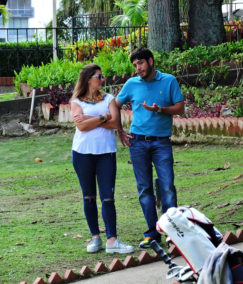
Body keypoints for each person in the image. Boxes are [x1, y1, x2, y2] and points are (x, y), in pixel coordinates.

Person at [115, 48, 185, 248]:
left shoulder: (168, 80)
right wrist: (119, 131)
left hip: (161, 142)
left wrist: (160, 109)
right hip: (137, 142)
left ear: (151, 61)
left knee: (167, 186)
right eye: (135, 65)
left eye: (141, 64)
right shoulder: (131, 84)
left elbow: (180, 108)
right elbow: (115, 105)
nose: (138, 68)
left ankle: (173, 233)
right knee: (144, 189)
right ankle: (152, 233)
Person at [71, 63, 134, 254]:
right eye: (99, 76)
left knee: (108, 197)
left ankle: (112, 240)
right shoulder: (76, 101)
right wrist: (102, 117)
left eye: (102, 76)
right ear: (88, 79)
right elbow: (80, 127)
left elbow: (115, 122)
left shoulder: (109, 99)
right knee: (88, 196)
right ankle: (95, 238)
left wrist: (93, 119)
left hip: (106, 153)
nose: (102, 79)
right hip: (82, 154)